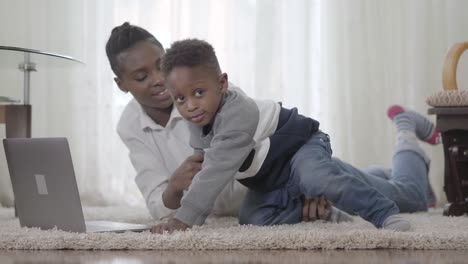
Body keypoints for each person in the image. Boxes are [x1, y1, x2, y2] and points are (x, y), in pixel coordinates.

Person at [150, 38, 440, 234]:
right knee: (253, 219)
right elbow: (205, 164)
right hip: (273, 177)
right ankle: (331, 203)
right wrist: (175, 193)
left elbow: (214, 172)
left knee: (318, 178)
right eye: (180, 99)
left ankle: (383, 212)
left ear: (222, 83)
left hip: (300, 147)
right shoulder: (198, 120)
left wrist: (183, 220)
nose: (190, 106)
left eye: (198, 93)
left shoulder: (237, 115)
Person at [105, 22, 346, 225]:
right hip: (250, 209)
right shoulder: (130, 125)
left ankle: (369, 176)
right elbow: (158, 207)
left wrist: (307, 188)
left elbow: (278, 152)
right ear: (121, 84)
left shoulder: (217, 95)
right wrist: (175, 187)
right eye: (141, 76)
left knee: (350, 188)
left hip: (280, 178)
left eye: (161, 66)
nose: (159, 79)